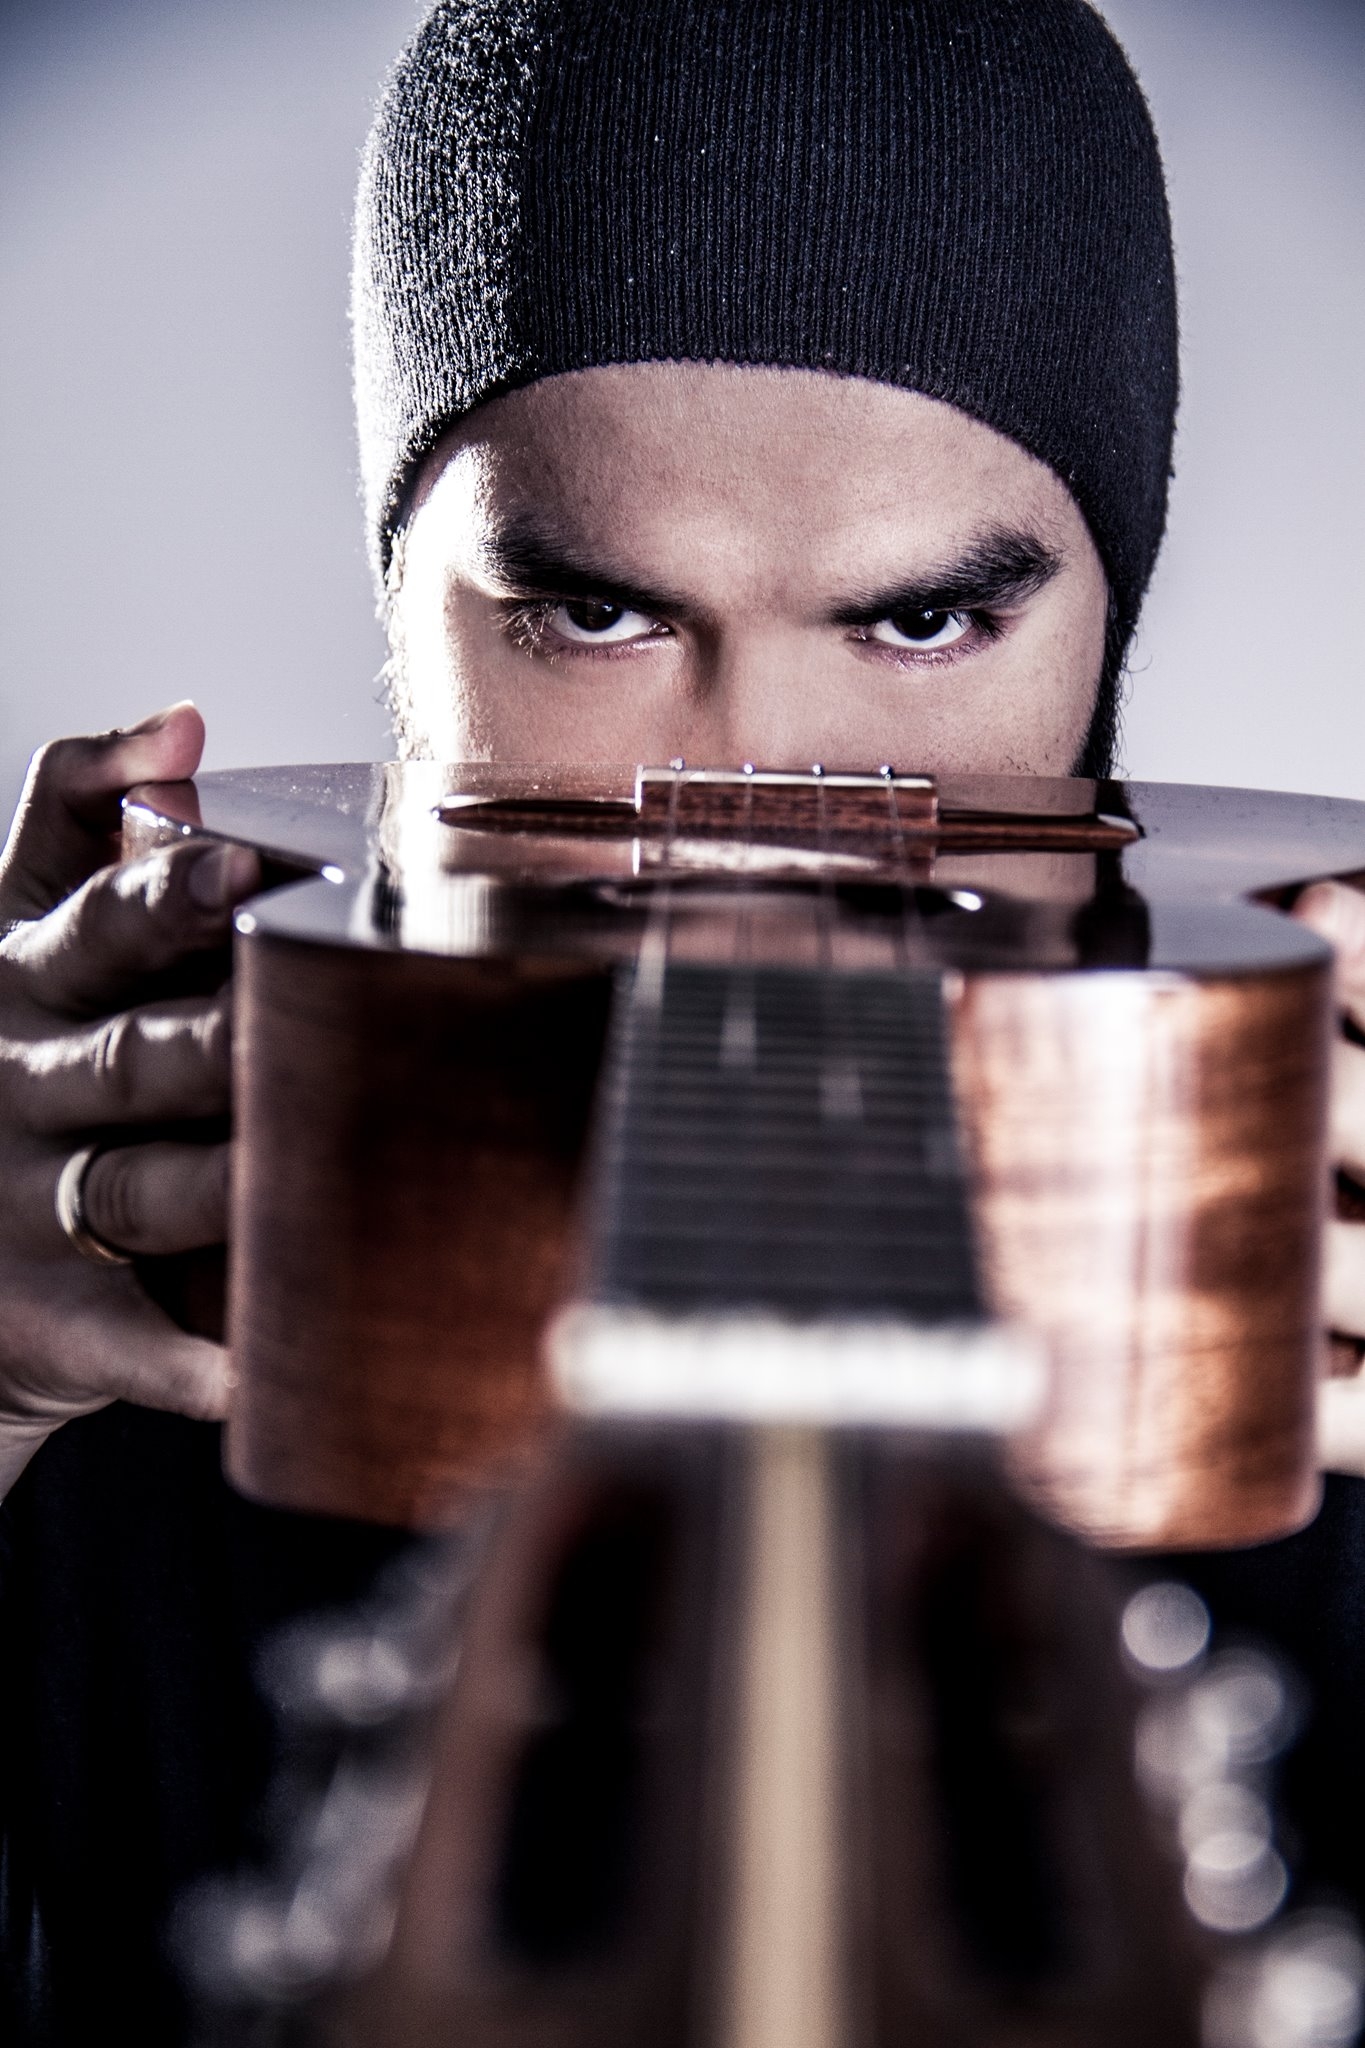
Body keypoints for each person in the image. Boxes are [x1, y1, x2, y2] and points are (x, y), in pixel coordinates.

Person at [3, 0, 1365, 2039]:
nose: (756, 799)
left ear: (1110, 621)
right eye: (595, 612)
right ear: (400, 605)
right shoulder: (106, 1250)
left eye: (920, 621)